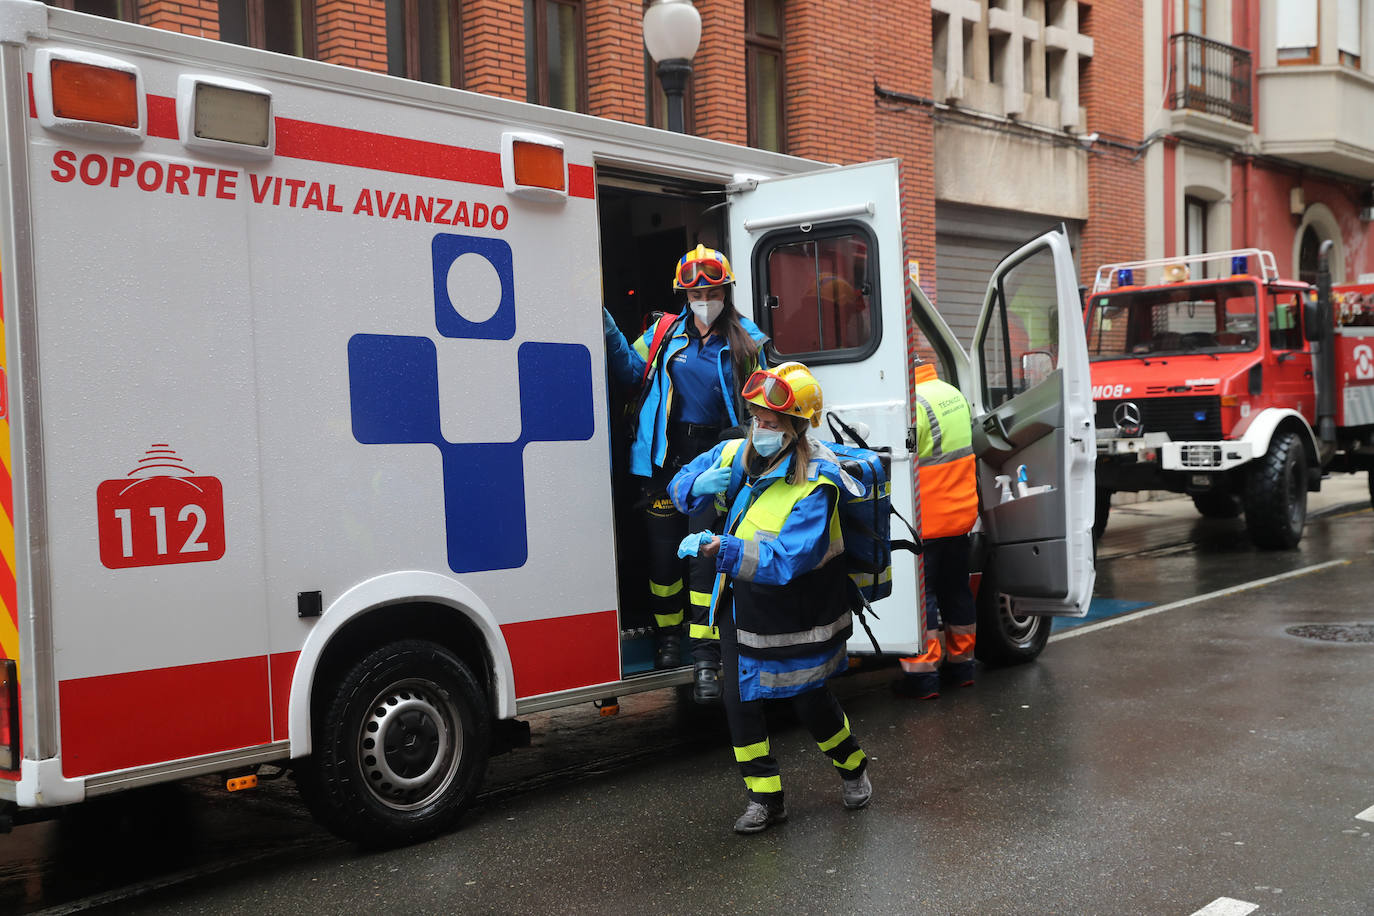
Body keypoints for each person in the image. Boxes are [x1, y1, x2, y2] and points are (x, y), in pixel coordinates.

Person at [669, 361, 872, 834]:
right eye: (755, 417)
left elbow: (787, 558)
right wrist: (693, 487)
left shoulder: (817, 481)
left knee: (810, 701)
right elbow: (680, 483)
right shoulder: (734, 453)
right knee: (739, 704)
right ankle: (766, 799)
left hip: (795, 614)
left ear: (795, 429)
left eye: (769, 422)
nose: (757, 428)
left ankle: (853, 767)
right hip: (741, 607)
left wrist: (724, 547)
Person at [602, 244, 766, 701]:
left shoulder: (749, 340)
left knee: (704, 562)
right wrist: (606, 322)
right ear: (682, 293)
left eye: (712, 289)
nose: (703, 298)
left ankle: (705, 659)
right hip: (664, 462)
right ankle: (668, 641)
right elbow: (631, 372)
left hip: (715, 463)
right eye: (695, 291)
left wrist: (747, 459)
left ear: (725, 290)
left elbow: (769, 404)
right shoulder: (663, 334)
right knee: (662, 564)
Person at [895, 357, 980, 699]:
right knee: (957, 590)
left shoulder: (912, 403)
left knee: (923, 597)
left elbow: (905, 454)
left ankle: (923, 677)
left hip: (926, 518)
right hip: (960, 515)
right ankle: (962, 667)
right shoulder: (952, 393)